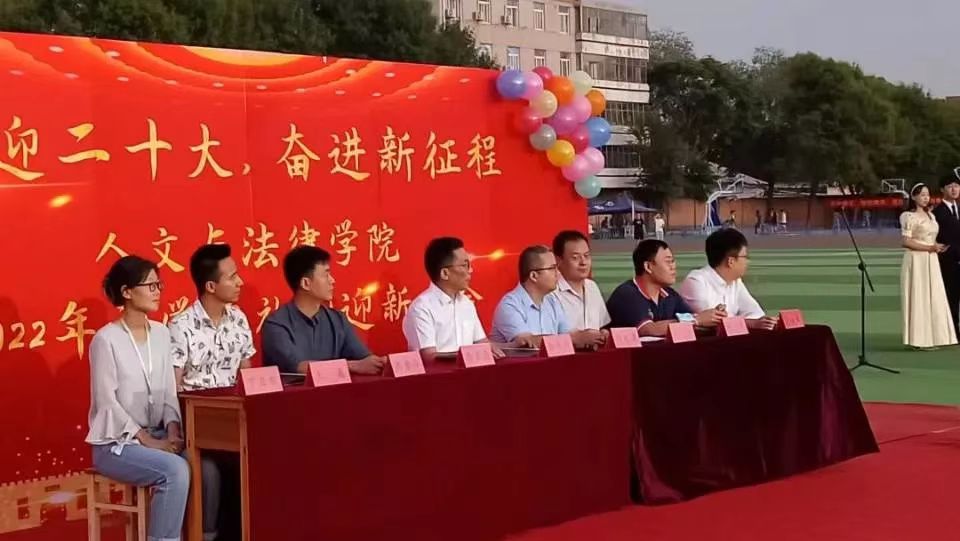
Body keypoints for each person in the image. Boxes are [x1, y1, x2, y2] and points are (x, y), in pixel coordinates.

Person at [87, 256, 189, 541]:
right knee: (175, 470)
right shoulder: (106, 340)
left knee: (201, 462)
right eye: (150, 285)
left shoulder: (162, 333)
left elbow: (169, 390)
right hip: (117, 442)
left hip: (158, 433)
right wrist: (147, 439)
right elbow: (107, 402)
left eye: (159, 285)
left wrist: (173, 430)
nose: (157, 291)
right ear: (127, 292)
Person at [168, 244, 254, 541]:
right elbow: (173, 388)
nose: (240, 282)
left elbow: (247, 377)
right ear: (210, 286)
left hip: (237, 423)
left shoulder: (239, 319)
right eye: (232, 277)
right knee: (209, 473)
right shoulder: (181, 326)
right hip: (197, 429)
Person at [261, 246, 385, 374]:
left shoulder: (338, 320)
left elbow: (362, 357)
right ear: (305, 283)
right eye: (326, 275)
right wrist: (351, 366)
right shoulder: (276, 324)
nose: (332, 280)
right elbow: (299, 367)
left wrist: (381, 363)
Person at [403, 237, 505, 360]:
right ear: (445, 273)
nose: (470, 270)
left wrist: (506, 347)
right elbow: (429, 357)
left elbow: (482, 343)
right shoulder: (421, 308)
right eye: (465, 265)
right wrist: (468, 355)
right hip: (440, 372)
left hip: (471, 370)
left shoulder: (466, 303)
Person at [490, 245, 606, 349]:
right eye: (552, 268)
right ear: (534, 276)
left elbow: (570, 334)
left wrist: (595, 336)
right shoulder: (510, 305)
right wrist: (576, 339)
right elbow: (527, 343)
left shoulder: (552, 301)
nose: (558, 273)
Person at [606, 239, 726, 336]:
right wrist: (696, 320)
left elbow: (690, 320)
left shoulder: (669, 295)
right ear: (648, 267)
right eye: (668, 261)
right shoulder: (628, 294)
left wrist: (713, 318)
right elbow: (648, 329)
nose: (673, 266)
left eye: (673, 261)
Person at [679, 228, 778, 330]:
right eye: (745, 257)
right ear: (731, 261)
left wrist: (758, 322)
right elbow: (712, 321)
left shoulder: (735, 282)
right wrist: (750, 323)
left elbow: (755, 313)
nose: (748, 262)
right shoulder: (696, 282)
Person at [899, 183, 957, 348]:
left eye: (927, 195)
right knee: (919, 296)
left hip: (931, 260)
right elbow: (906, 241)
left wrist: (936, 246)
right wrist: (929, 248)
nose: (926, 198)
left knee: (934, 296)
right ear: (914, 197)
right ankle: (918, 339)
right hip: (916, 260)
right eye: (922, 195)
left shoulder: (931, 215)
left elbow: (931, 238)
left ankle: (936, 337)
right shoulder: (908, 216)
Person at [553, 230, 611, 333]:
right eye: (575, 258)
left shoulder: (592, 286)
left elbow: (602, 326)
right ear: (558, 260)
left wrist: (604, 333)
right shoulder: (551, 293)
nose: (583, 262)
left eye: (586, 256)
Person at [932, 172, 960, 335]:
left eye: (956, 186)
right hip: (948, 263)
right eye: (950, 187)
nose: (954, 189)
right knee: (951, 299)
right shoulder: (937, 213)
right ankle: (953, 331)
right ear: (942, 190)